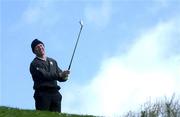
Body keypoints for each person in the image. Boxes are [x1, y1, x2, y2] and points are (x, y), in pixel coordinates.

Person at [29, 39, 70, 112]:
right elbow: (45, 75)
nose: (40, 47)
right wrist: (60, 74)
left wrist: (65, 76)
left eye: (41, 45)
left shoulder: (53, 61)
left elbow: (60, 76)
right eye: (37, 47)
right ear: (34, 51)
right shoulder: (34, 63)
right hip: (42, 94)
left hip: (55, 93)